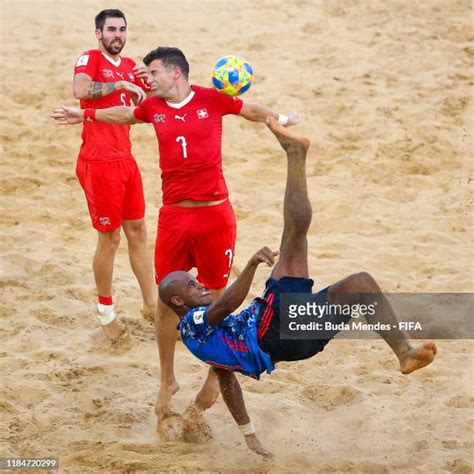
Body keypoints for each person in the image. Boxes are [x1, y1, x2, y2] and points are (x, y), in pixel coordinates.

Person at [157, 117, 438, 457]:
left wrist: (249, 435)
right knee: (294, 235)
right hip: (274, 329)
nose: (199, 283)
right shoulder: (193, 325)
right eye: (191, 285)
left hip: (289, 333)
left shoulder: (207, 339)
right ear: (177, 300)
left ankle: (404, 353)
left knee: (355, 279)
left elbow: (228, 381)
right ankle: (295, 153)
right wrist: (249, 266)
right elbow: (225, 306)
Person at [52, 46, 302, 416]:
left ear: (175, 74)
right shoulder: (153, 107)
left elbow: (250, 109)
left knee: (219, 299)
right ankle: (167, 377)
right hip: (173, 218)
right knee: (168, 300)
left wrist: (280, 117)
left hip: (215, 217)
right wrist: (85, 115)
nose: (147, 79)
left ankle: (216, 376)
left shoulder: (211, 98)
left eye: (153, 73)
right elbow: (125, 114)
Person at [72, 9, 156, 342]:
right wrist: (119, 82)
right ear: (98, 33)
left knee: (138, 230)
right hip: (99, 161)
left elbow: (145, 110)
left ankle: (150, 303)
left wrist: (146, 82)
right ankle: (106, 311)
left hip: (125, 159)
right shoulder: (89, 57)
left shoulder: (132, 65)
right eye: (111, 30)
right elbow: (80, 88)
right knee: (110, 238)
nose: (117, 35)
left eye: (122, 29)